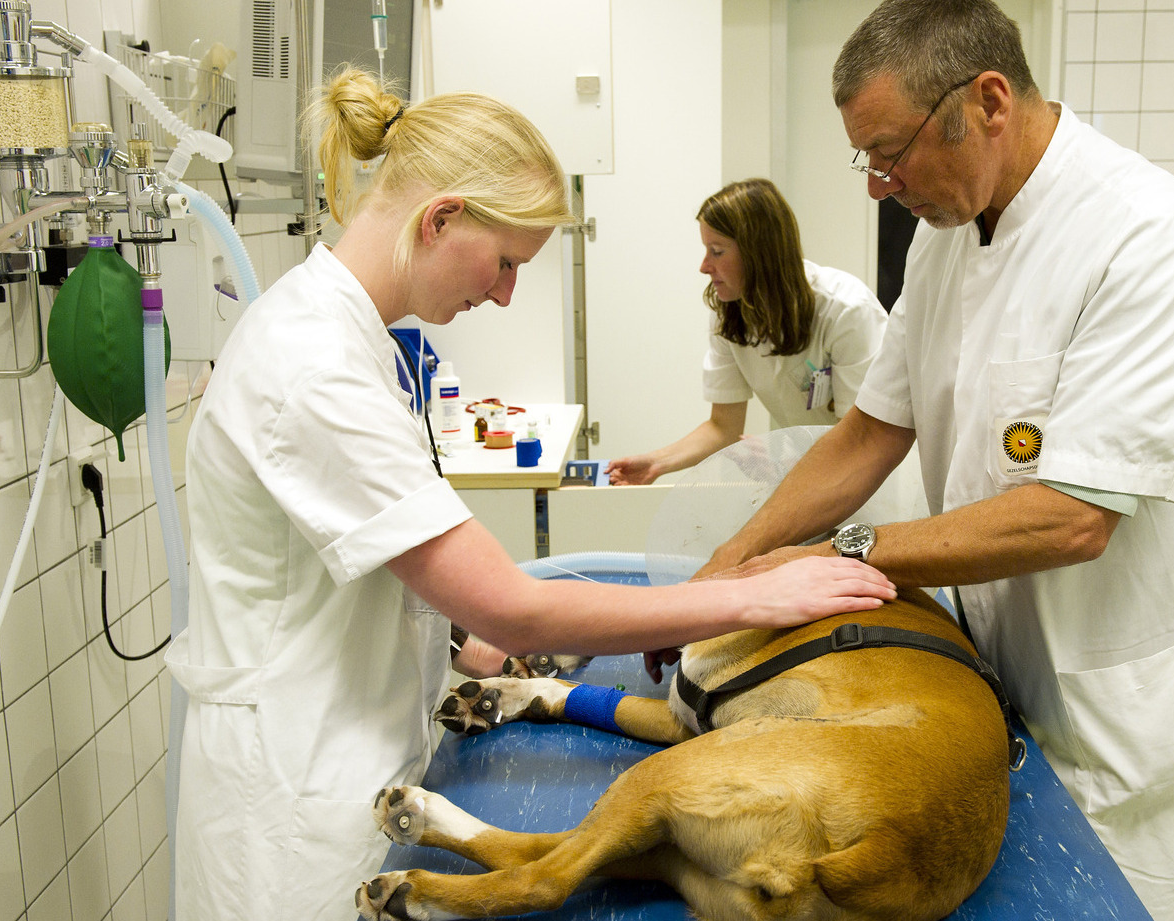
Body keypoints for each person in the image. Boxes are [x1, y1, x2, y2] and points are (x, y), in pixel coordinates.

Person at [163, 69, 896, 921]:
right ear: (440, 219)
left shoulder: (349, 339)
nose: (506, 292)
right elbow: (512, 605)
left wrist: (463, 642)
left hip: (347, 754)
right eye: (507, 262)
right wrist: (747, 593)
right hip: (292, 803)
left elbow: (371, 554)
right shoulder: (314, 364)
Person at [695, 2, 1174, 919]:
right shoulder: (942, 239)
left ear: (990, 101)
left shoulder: (1146, 237)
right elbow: (872, 431)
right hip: (996, 674)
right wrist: (730, 567)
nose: (880, 185)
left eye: (892, 152)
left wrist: (838, 554)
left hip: (1130, 708)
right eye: (866, 159)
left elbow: (1071, 515)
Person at [604, 178, 886, 485]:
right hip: (817, 477)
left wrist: (786, 461)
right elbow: (722, 427)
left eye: (717, 251)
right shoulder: (731, 314)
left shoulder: (846, 311)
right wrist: (656, 463)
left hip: (873, 480)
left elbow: (860, 438)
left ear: (758, 253)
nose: (704, 266)